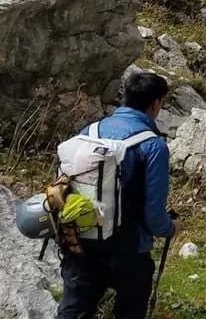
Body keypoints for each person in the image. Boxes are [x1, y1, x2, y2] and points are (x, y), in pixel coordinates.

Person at [57, 72, 178, 319]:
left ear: (124, 97)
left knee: (73, 310)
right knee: (129, 310)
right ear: (156, 104)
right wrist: (170, 228)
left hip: (79, 239)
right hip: (127, 248)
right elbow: (153, 215)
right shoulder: (153, 145)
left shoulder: (89, 131)